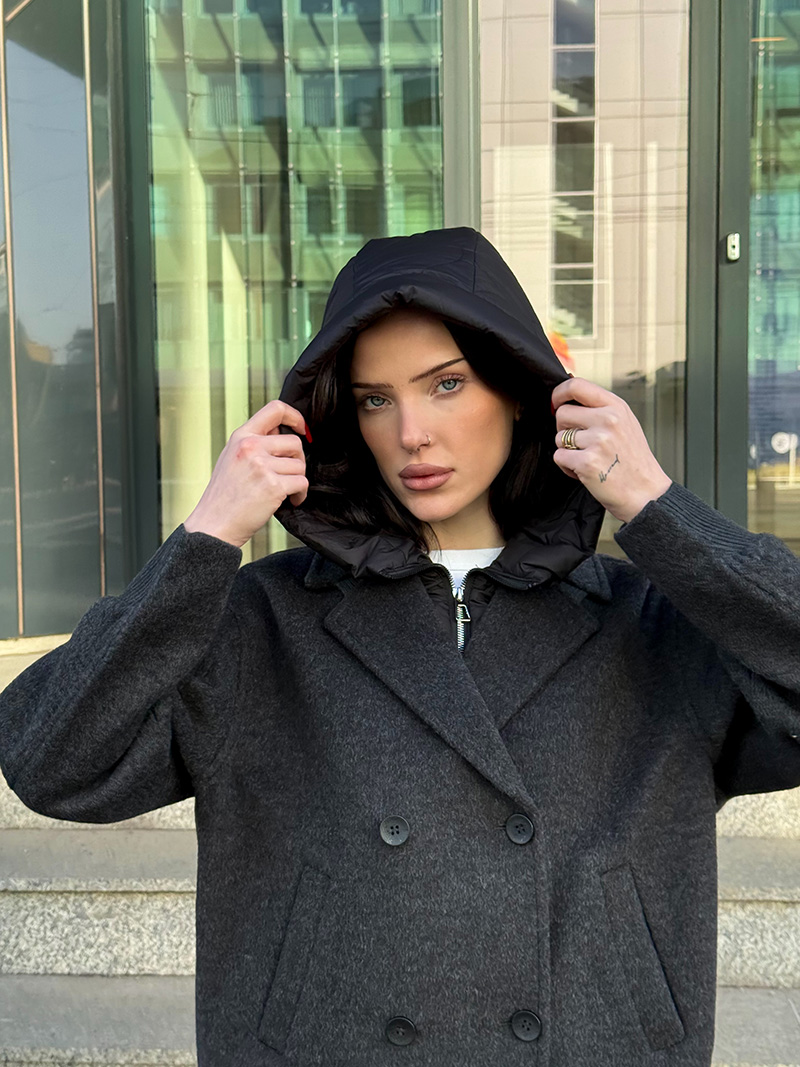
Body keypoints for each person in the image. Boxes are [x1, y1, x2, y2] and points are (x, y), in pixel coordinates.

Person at [0, 226, 799, 1067]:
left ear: (520, 391)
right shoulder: (262, 619)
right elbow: (50, 759)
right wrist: (205, 535)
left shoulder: (653, 623)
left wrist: (658, 509)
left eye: (446, 384)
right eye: (376, 399)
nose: (411, 431)